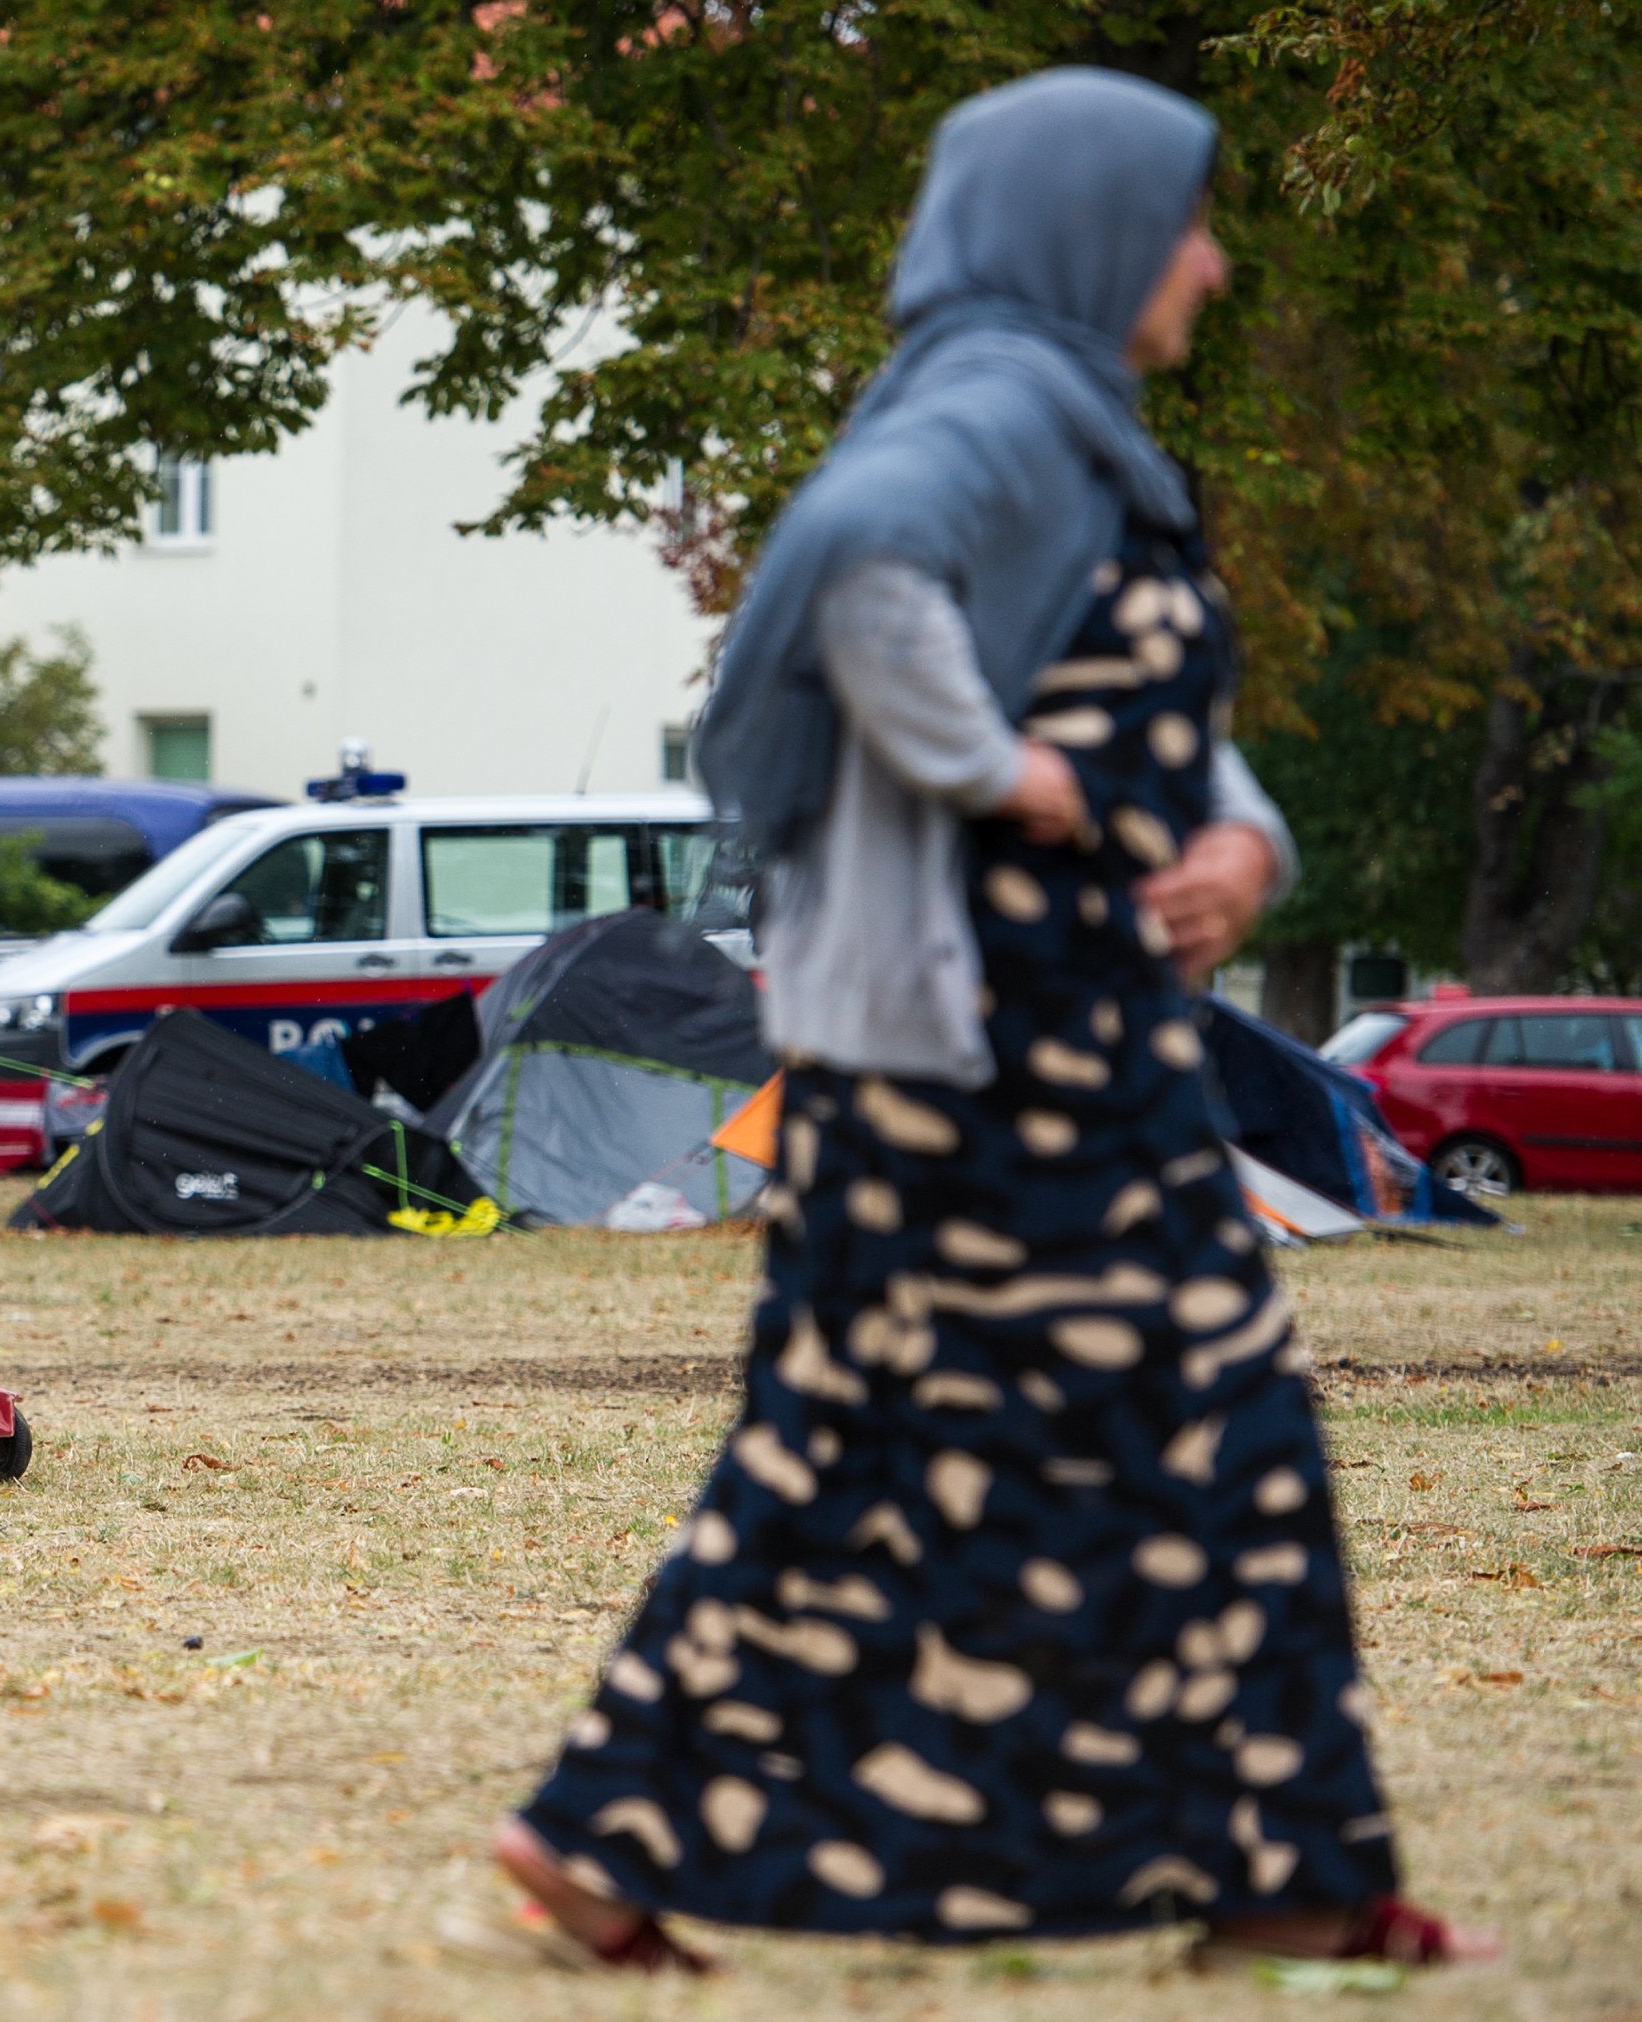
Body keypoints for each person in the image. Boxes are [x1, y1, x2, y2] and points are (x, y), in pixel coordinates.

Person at [485, 69, 1491, 1974]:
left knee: (878, 1437)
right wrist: (991, 765)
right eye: (1186, 217)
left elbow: (1148, 700)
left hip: (1031, 1043)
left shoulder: (1066, 431)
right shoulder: (999, 404)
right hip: (999, 1055)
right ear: (1088, 231)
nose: (1207, 257)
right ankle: (1281, 1874)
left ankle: (610, 1840)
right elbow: (856, 565)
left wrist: (1239, 838)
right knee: (1195, 1421)